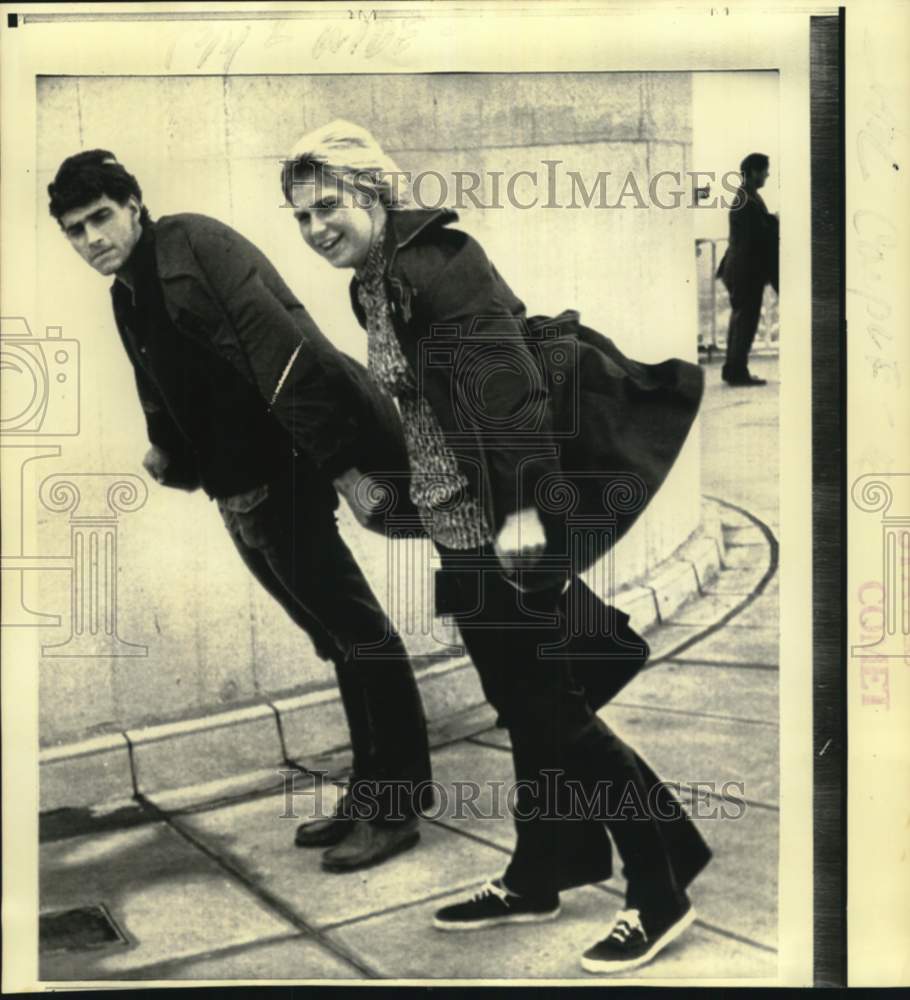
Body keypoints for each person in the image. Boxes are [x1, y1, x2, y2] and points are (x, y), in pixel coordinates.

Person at [281, 121, 713, 976]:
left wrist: (522, 516)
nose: (314, 225)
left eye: (328, 203)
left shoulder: (438, 264)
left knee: (557, 714)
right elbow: (428, 411)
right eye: (299, 214)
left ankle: (663, 889)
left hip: (506, 535)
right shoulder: (373, 283)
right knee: (524, 706)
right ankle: (544, 869)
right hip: (461, 533)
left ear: (374, 191)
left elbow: (505, 392)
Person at [47, 150, 435, 872]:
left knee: (359, 633)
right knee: (336, 638)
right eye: (76, 230)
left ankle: (397, 806)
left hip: (283, 470)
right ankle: (370, 791)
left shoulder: (194, 244)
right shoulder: (127, 291)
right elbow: (155, 378)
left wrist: (343, 464)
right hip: (235, 486)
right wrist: (165, 448)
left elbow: (281, 347)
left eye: (101, 216)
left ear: (134, 203)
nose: (92, 238)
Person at [716, 152, 779, 387]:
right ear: (754, 171)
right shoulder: (748, 200)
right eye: (765, 170)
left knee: (740, 319)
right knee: (745, 321)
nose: (767, 174)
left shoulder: (746, 197)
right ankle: (737, 371)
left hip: (739, 269)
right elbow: (760, 233)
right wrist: (777, 222)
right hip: (746, 271)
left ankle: (732, 369)